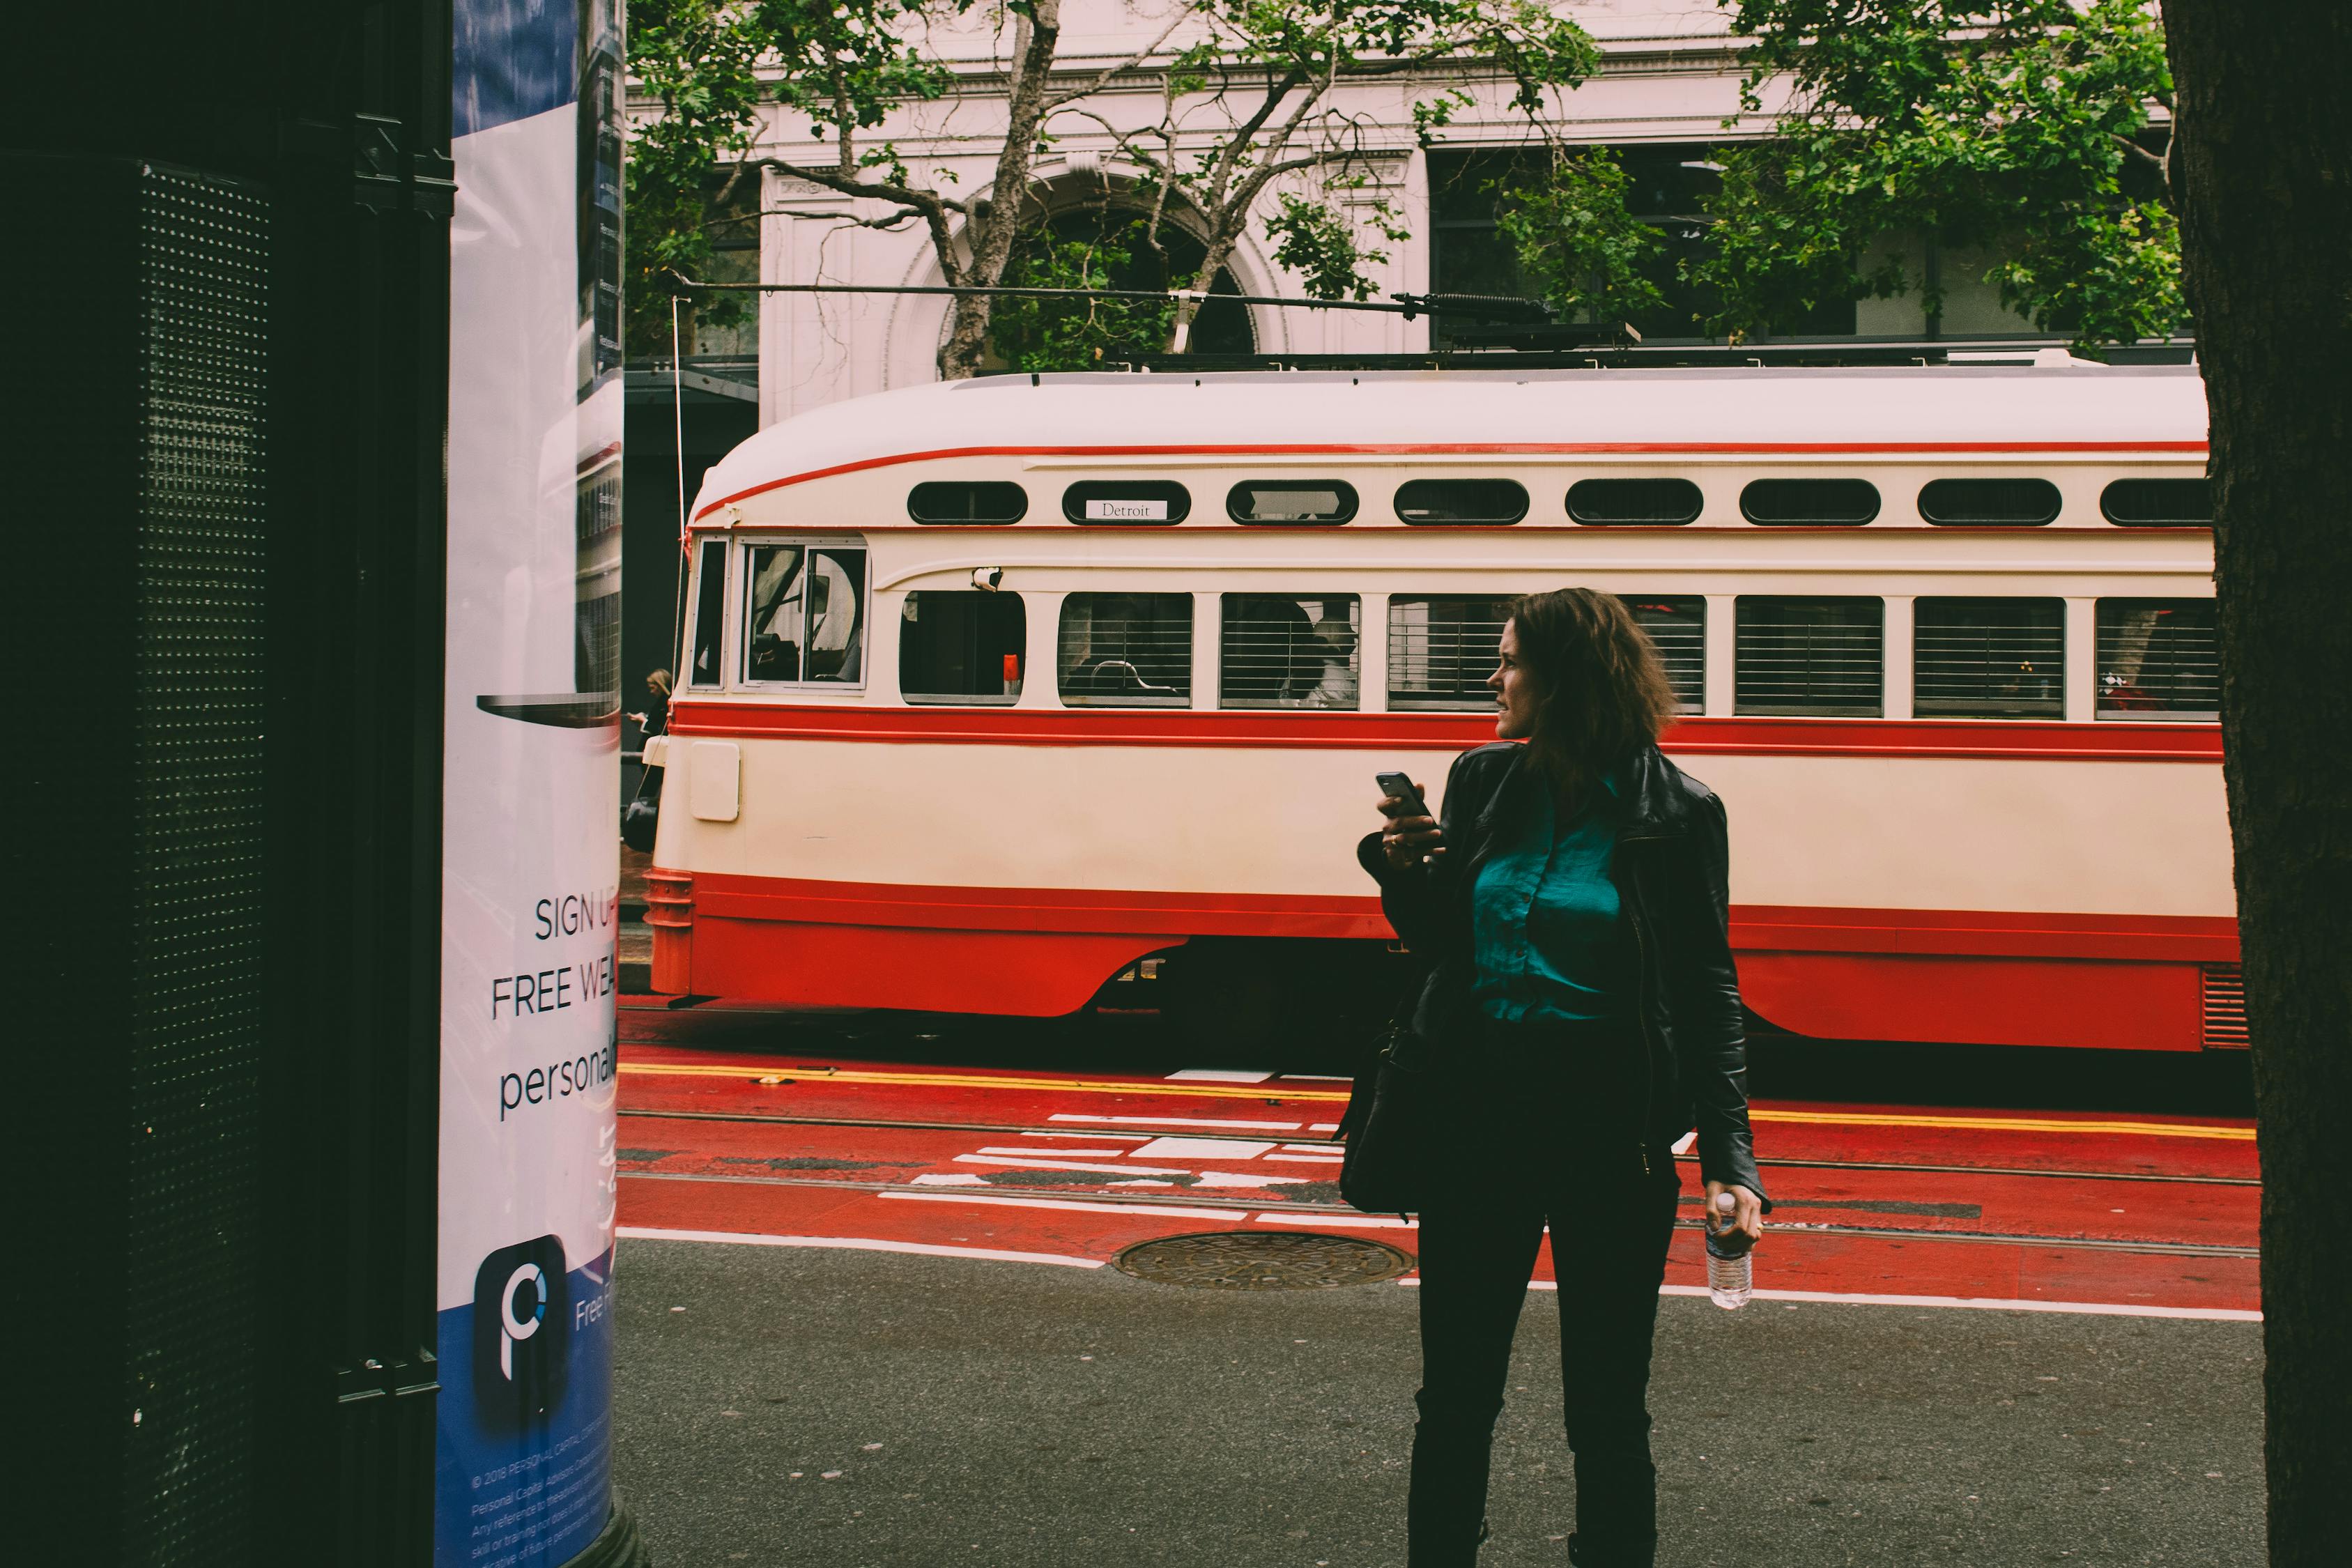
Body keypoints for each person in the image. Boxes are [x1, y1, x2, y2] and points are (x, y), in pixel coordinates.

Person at [1358, 587, 1769, 1568]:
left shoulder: (1680, 811)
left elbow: (1707, 982)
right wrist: (1400, 867)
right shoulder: (1482, 779)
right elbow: (1444, 943)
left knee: (1607, 1402)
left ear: (1567, 676)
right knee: (1455, 1394)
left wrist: (1731, 1158)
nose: (1493, 681)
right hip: (1475, 1121)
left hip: (1611, 1135)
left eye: (1509, 661)